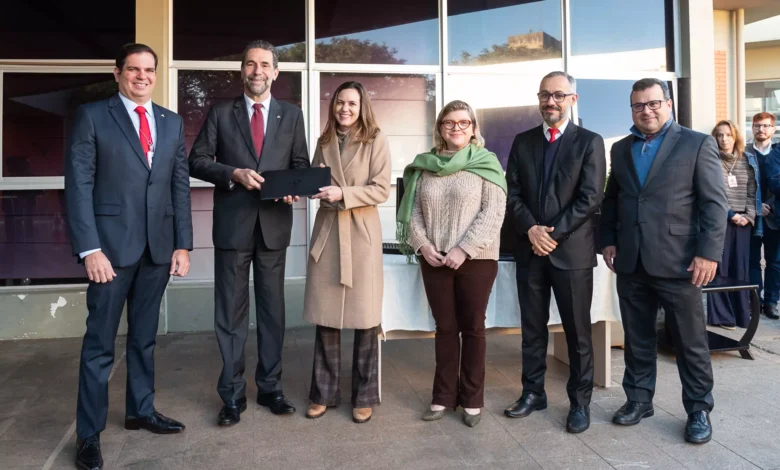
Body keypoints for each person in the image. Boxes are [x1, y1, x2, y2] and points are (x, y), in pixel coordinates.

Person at [65, 43, 193, 470]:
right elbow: (79, 186)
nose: (142, 77)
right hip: (110, 253)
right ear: (117, 72)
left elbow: (179, 186)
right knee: (100, 344)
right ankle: (88, 435)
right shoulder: (93, 116)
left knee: (144, 338)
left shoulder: (171, 123)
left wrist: (182, 243)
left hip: (157, 251)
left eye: (149, 70)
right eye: (134, 69)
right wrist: (90, 249)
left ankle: (141, 410)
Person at [188, 40, 310, 426]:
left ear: (276, 72)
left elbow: (300, 164)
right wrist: (232, 174)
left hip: (274, 226)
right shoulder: (221, 113)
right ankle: (232, 396)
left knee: (273, 313)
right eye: (250, 64)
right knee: (230, 315)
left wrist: (295, 185)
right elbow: (198, 161)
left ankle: (271, 388)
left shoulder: (291, 115)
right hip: (233, 226)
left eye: (265, 65)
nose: (257, 71)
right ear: (242, 71)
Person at [600, 78, 727, 444]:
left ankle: (699, 409)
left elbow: (714, 204)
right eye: (638, 105)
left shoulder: (696, 143)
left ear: (669, 104)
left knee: (689, 341)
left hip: (681, 262)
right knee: (637, 338)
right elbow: (613, 199)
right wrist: (608, 240)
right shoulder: (621, 149)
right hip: (631, 261)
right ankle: (639, 400)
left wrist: (707, 253)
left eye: (653, 103)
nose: (646, 110)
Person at [503, 71, 606, 434]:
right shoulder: (523, 141)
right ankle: (533, 393)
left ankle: (580, 403)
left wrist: (552, 235)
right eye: (545, 95)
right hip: (530, 249)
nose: (551, 101)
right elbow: (512, 192)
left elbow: (591, 197)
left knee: (577, 333)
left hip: (572, 253)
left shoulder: (589, 142)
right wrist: (531, 229)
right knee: (532, 329)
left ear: (572, 100)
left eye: (559, 95)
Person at [398, 100, 507, 428]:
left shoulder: (487, 163)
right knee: (445, 328)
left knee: (473, 328)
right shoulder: (425, 165)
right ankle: (443, 395)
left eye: (463, 122)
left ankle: (472, 399)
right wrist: (422, 245)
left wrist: (465, 248)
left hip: (476, 259)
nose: (456, 128)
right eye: (449, 123)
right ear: (440, 128)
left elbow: (493, 212)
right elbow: (412, 209)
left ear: (473, 128)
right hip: (434, 258)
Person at [302, 81, 391, 424]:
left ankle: (364, 396)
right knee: (327, 319)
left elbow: (381, 189)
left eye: (352, 103)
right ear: (333, 105)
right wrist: (305, 188)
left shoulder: (376, 139)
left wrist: (343, 194)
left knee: (366, 320)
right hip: (328, 234)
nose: (345, 109)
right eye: (340, 102)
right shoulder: (324, 141)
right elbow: (313, 179)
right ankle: (323, 393)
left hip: (360, 234)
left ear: (362, 106)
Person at [707, 120, 759, 329]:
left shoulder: (747, 160)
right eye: (719, 135)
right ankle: (721, 317)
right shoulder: (711, 160)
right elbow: (712, 192)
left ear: (735, 136)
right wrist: (730, 215)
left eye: (728, 135)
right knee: (720, 268)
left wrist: (749, 215)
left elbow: (753, 191)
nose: (724, 139)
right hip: (721, 220)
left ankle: (740, 315)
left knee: (740, 268)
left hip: (744, 222)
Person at [748, 113, 779, 319]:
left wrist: (770, 205)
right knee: (751, 261)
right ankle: (754, 301)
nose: (762, 129)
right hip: (750, 216)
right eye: (758, 125)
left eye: (766, 126)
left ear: (773, 129)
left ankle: (771, 302)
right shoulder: (743, 152)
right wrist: (756, 206)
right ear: (752, 128)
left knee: (775, 262)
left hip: (776, 217)